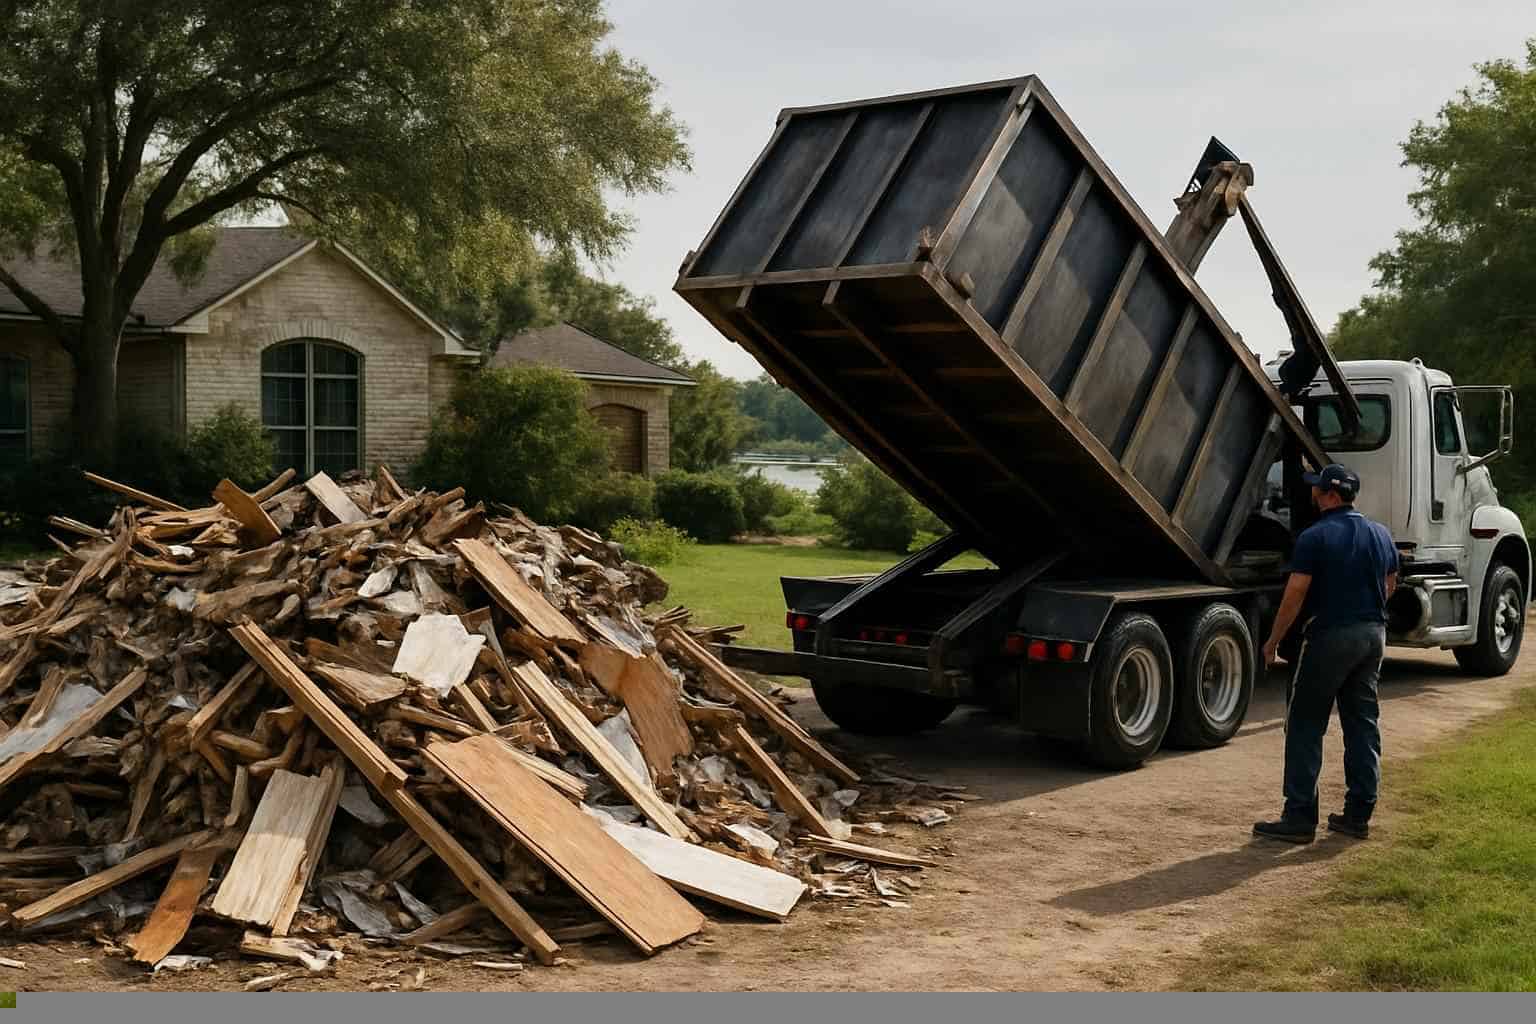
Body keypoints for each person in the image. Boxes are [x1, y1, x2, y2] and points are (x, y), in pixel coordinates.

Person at [1253, 463, 1399, 843]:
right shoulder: (1380, 534)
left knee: (1304, 723)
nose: (1312, 492)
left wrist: (1272, 641)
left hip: (1330, 637)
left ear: (1329, 494)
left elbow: (1296, 592)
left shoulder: (1315, 537)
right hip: (1373, 635)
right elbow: (1390, 582)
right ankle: (1358, 814)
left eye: (1317, 488)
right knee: (1362, 722)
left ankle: (1299, 816)